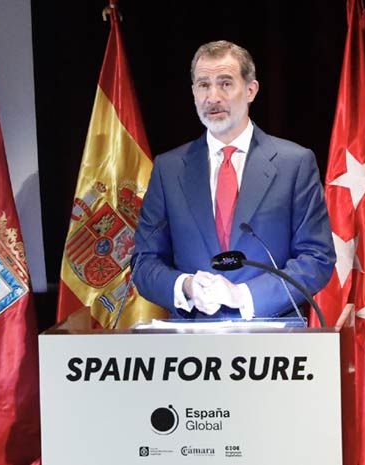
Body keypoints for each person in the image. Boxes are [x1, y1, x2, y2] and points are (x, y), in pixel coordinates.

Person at [132, 40, 334, 320]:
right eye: (203, 85)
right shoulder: (169, 169)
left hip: (274, 340)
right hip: (192, 344)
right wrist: (187, 286)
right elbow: (144, 262)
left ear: (251, 90)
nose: (212, 97)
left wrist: (243, 295)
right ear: (193, 93)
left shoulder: (294, 163)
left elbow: (317, 259)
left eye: (225, 84)